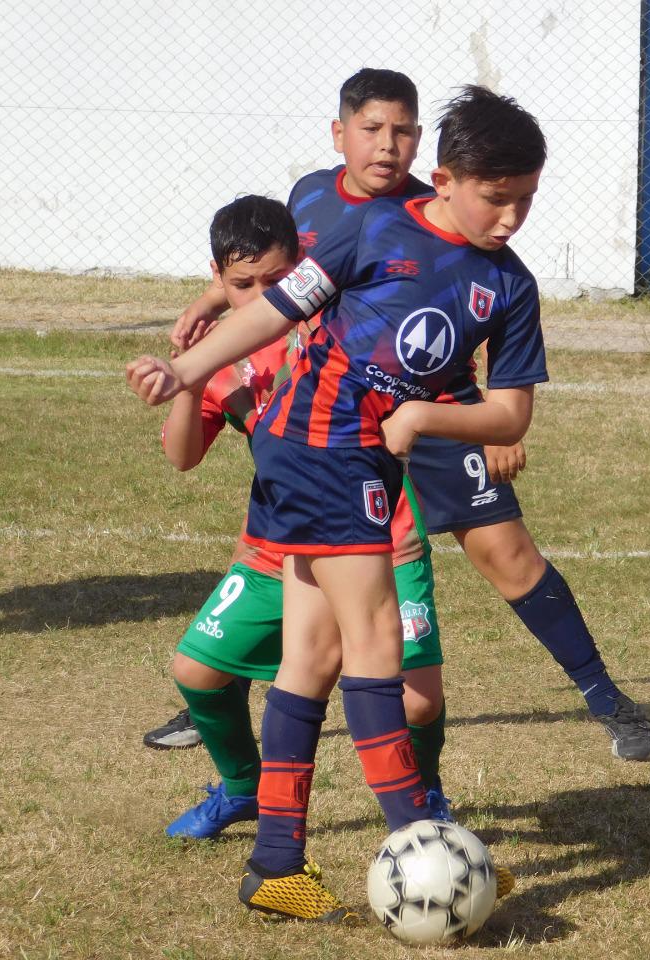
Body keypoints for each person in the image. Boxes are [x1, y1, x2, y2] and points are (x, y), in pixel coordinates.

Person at [126, 86, 547, 921]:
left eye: (526, 200)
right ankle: (425, 848)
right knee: (376, 643)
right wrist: (186, 369)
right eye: (496, 198)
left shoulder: (507, 283)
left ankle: (276, 864)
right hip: (321, 448)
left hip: (337, 457)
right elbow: (275, 308)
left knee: (311, 657)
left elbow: (508, 411)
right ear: (447, 179)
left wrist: (427, 416)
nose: (510, 218)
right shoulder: (371, 228)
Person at [158, 67, 650, 763]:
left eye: (402, 131)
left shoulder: (452, 223)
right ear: (341, 134)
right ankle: (218, 687)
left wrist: (484, 421)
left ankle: (606, 698)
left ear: (425, 148)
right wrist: (212, 306)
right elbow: (277, 280)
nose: (387, 146)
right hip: (336, 421)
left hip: (435, 411)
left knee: (506, 557)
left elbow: (463, 343)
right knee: (293, 574)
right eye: (372, 129)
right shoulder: (313, 198)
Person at [152, 195, 452, 842]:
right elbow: (181, 457)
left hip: (383, 532)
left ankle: (425, 798)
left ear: (303, 268)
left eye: (277, 280)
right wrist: (193, 379)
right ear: (218, 277)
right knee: (196, 671)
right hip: (280, 543)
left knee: (417, 700)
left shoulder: (343, 320)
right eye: (243, 285)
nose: (263, 296)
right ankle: (243, 789)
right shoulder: (223, 351)